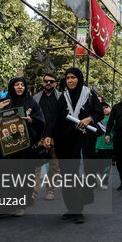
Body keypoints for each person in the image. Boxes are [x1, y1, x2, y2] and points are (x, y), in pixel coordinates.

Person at [0, 77, 45, 222]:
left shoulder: (31, 102)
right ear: (11, 87)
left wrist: (31, 121)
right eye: (16, 85)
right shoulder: (3, 102)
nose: (19, 87)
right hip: (2, 150)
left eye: (22, 85)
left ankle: (20, 205)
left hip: (22, 151)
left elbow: (40, 122)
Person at [43, 68, 104, 224]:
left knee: (80, 175)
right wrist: (48, 135)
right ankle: (71, 208)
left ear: (79, 78)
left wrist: (89, 119)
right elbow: (56, 119)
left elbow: (99, 113)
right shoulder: (63, 97)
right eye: (68, 78)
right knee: (68, 175)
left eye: (73, 77)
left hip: (83, 143)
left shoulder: (88, 95)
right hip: (66, 142)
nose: (70, 80)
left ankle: (78, 210)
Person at [32, 72, 61, 201]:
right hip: (39, 136)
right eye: (46, 81)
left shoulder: (61, 97)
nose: (48, 83)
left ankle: (50, 191)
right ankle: (33, 193)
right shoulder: (36, 98)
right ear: (42, 82)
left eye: (51, 81)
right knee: (35, 166)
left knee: (54, 167)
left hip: (56, 136)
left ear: (55, 83)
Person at [95, 102, 114, 190]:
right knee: (97, 165)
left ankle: (105, 182)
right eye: (103, 108)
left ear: (110, 108)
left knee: (106, 165)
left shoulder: (113, 120)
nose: (105, 109)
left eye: (107, 107)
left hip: (108, 146)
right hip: (98, 146)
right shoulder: (97, 121)